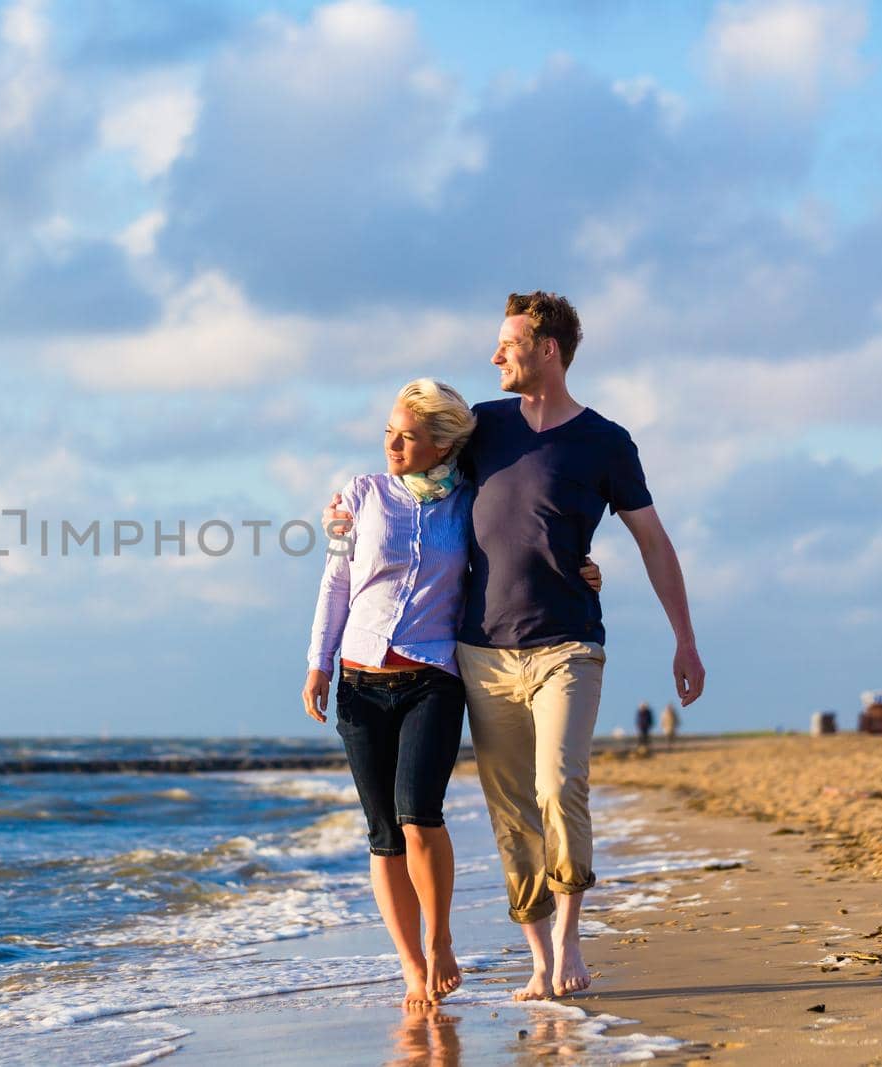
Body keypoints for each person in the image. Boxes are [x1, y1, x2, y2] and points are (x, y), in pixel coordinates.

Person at [326, 291, 704, 1002]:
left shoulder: (606, 442)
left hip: (568, 643)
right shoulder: (486, 428)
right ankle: (537, 955)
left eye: (508, 343)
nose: (495, 355)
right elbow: (415, 473)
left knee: (558, 785)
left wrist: (684, 636)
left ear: (547, 349)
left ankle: (568, 937)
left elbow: (652, 539)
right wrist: (345, 513)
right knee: (511, 810)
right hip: (481, 649)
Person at [302, 378, 602, 1010]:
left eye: (407, 436)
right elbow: (335, 582)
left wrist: (579, 568)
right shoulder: (362, 495)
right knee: (382, 831)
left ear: (441, 444)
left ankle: (440, 941)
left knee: (420, 816)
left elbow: (514, 551)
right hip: (359, 679)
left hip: (433, 676)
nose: (392, 444)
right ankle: (411, 967)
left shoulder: (468, 502)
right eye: (389, 431)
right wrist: (318, 664)